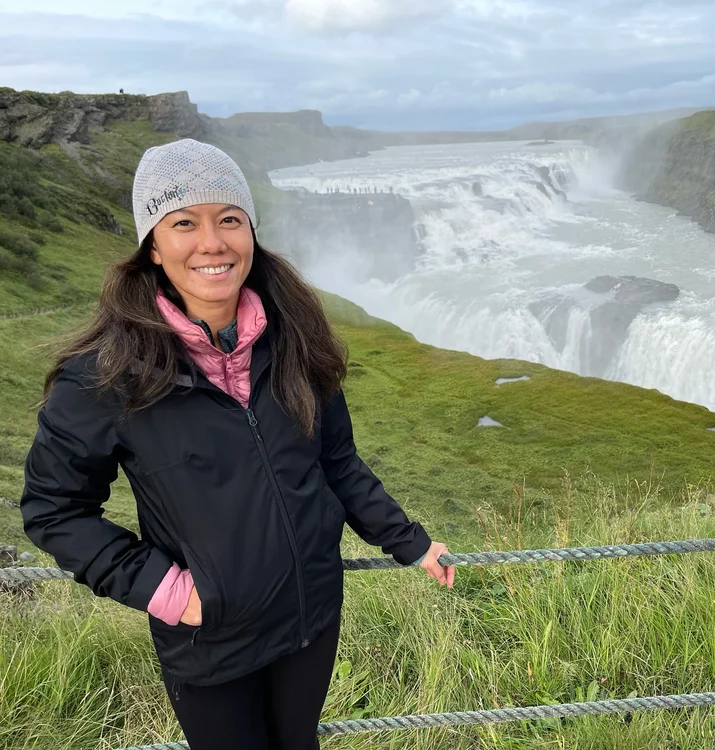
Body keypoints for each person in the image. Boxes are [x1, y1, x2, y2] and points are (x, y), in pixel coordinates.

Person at [19, 138, 455, 750]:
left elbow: (336, 463)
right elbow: (53, 510)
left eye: (229, 219)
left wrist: (407, 540)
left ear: (251, 230)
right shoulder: (107, 373)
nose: (212, 242)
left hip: (310, 620)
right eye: (183, 223)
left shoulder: (296, 336)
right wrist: (171, 593)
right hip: (210, 642)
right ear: (153, 247)